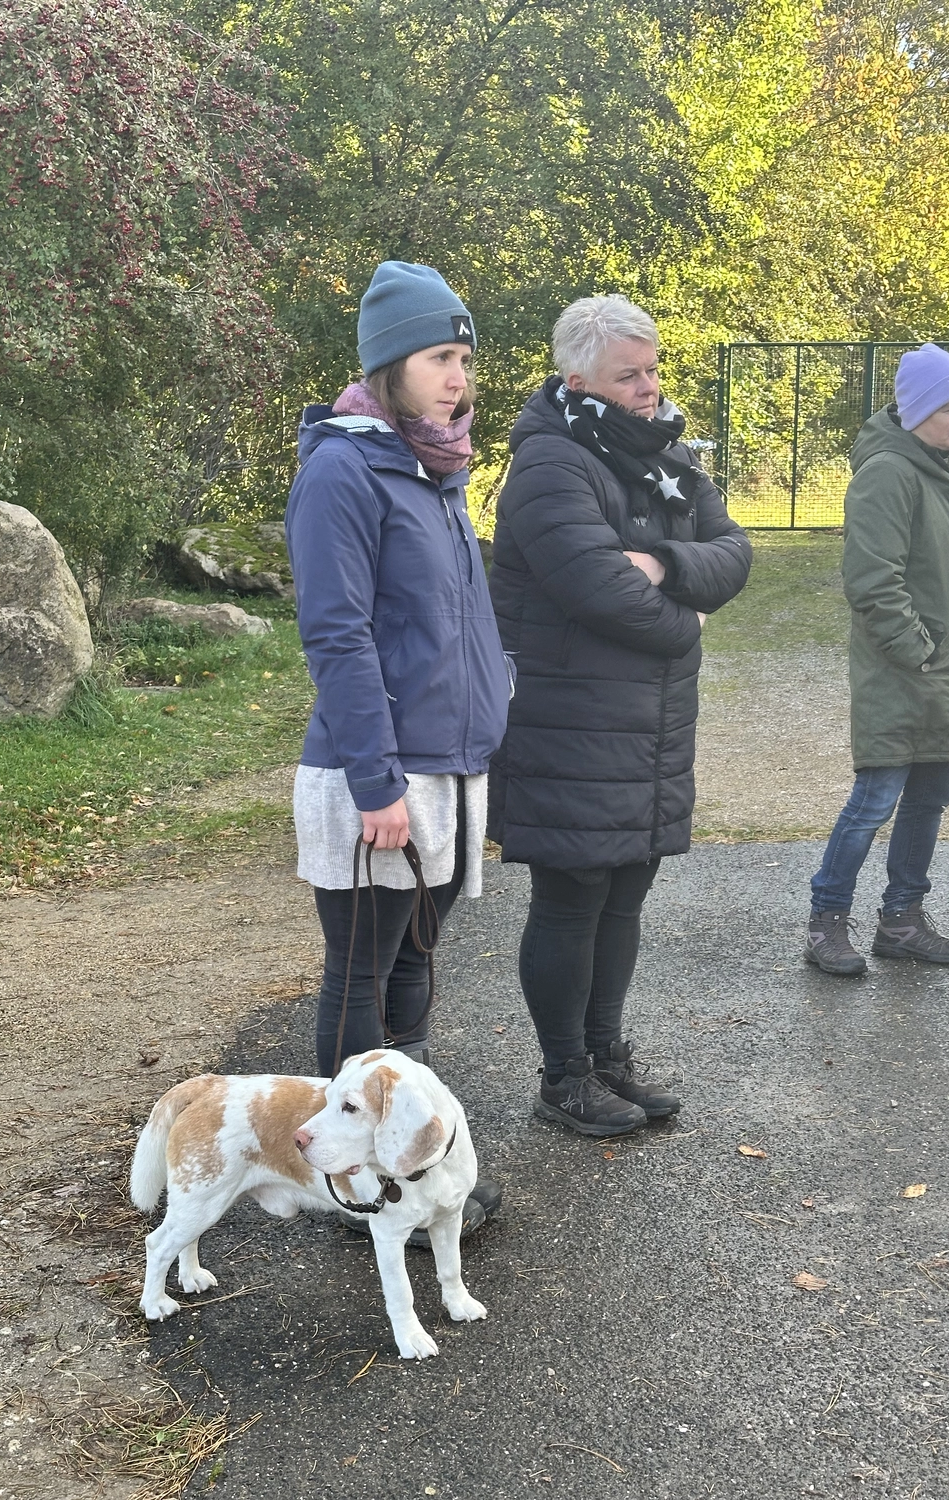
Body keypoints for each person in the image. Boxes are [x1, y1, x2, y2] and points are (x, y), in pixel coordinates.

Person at [487, 294, 752, 1135]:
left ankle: (607, 1058)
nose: (648, 388)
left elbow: (734, 553)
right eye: (627, 376)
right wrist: (688, 619)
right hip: (567, 724)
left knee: (626, 893)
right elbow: (598, 589)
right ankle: (562, 1077)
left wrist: (666, 565)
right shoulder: (548, 464)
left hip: (649, 727)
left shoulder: (663, 457)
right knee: (572, 896)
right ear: (578, 380)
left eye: (653, 369)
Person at [284, 260, 512, 1231]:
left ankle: (405, 1170)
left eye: (464, 357)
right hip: (371, 777)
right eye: (438, 357)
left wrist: (495, 707)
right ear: (389, 367)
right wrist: (378, 782)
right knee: (362, 974)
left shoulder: (436, 469)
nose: (458, 377)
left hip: (448, 771)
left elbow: (460, 625)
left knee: (417, 961)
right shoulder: (344, 469)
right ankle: (349, 1186)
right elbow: (339, 635)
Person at [805, 343, 949, 976]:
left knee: (932, 796)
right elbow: (872, 581)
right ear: (917, 411)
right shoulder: (888, 472)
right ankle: (826, 920)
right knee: (875, 798)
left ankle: (903, 921)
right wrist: (920, 651)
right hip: (903, 671)